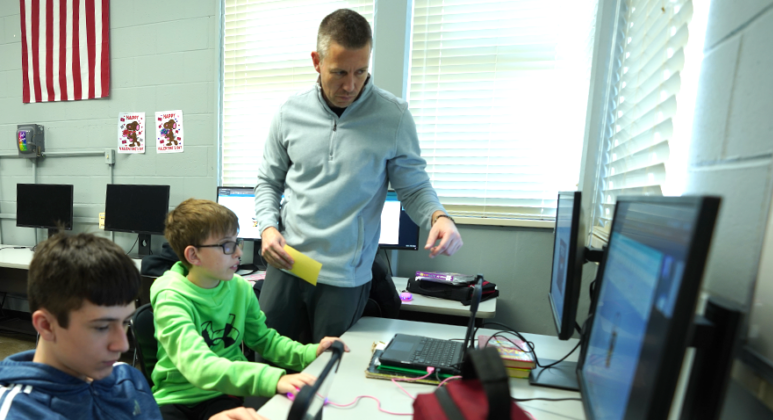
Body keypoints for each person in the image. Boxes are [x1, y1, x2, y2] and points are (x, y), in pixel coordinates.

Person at [255, 8, 464, 344]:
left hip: (344, 278)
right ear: (316, 61)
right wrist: (267, 227)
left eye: (361, 71)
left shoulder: (393, 116)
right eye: (339, 72)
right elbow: (268, 181)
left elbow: (413, 187)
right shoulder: (289, 113)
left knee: (329, 375)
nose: (350, 85)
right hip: (289, 265)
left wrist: (438, 216)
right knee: (273, 369)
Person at [0, 233, 271, 420]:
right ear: (46, 325)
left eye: (124, 322)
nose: (122, 345)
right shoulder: (18, 410)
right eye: (101, 327)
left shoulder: (128, 381)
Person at [150, 198, 347, 420]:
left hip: (223, 395)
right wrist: (273, 379)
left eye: (237, 242)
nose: (238, 253)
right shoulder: (170, 297)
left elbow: (265, 341)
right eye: (227, 245)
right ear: (193, 255)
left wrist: (311, 352)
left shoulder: (240, 288)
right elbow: (198, 365)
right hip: (175, 399)